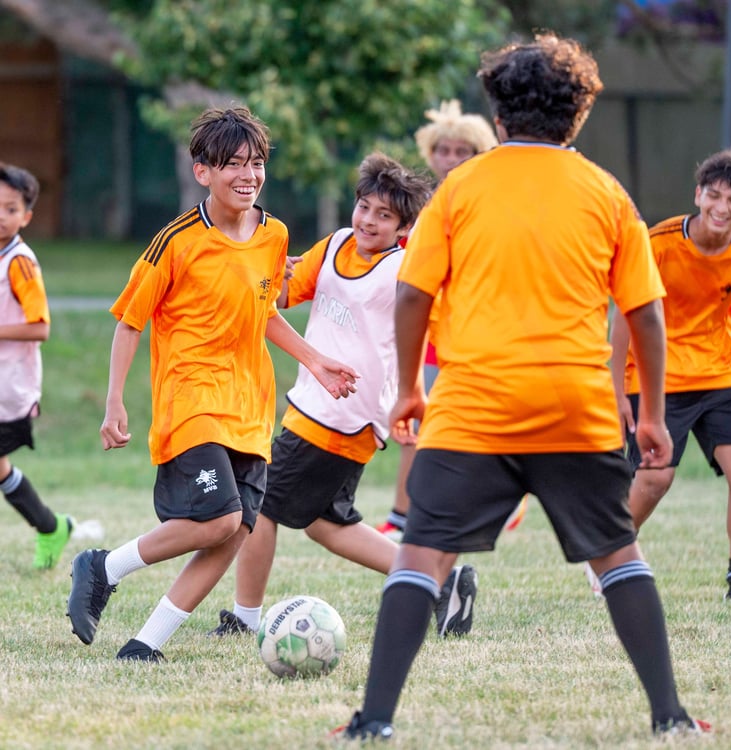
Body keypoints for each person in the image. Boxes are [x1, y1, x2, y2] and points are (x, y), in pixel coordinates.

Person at [336, 33, 707, 741]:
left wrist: (411, 388)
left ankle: (374, 722)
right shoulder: (606, 193)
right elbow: (647, 314)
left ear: (498, 117)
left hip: (475, 407)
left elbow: (413, 294)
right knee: (619, 554)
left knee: (419, 554)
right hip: (577, 408)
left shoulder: (460, 190)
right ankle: (671, 716)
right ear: (579, 115)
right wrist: (652, 413)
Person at [65, 106, 359, 662]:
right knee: (220, 516)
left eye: (257, 164)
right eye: (233, 165)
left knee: (237, 530)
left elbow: (264, 312)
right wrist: (114, 402)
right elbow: (130, 320)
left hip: (250, 403)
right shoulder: (175, 241)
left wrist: (315, 360)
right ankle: (102, 567)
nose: (248, 176)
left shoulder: (274, 233)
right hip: (191, 396)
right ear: (203, 172)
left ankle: (145, 645)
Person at [209, 152, 478, 641]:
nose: (368, 220)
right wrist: (259, 264)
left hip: (347, 412)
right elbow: (283, 293)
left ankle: (243, 619)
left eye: (384, 215)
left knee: (262, 506)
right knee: (325, 524)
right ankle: (439, 580)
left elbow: (446, 327)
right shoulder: (335, 245)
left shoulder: (405, 269)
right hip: (312, 403)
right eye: (364, 206)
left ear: (403, 229)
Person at [610, 146, 731, 604]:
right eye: (714, 195)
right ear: (698, 194)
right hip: (653, 375)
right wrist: (616, 385)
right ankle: (609, 559)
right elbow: (624, 311)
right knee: (656, 477)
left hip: (717, 375)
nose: (722, 207)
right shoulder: (656, 242)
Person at [375, 99, 528, 540]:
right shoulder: (417, 204)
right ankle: (401, 517)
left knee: (474, 426)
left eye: (461, 151)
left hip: (474, 333)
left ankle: (507, 499)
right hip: (426, 333)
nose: (450, 159)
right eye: (444, 150)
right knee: (417, 423)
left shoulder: (489, 202)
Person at [0, 162, 73, 569]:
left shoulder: (20, 262)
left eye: (11, 209)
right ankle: (50, 527)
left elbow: (39, 327)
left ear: (26, 216)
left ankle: (50, 527)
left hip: (8, 389)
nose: (1, 215)